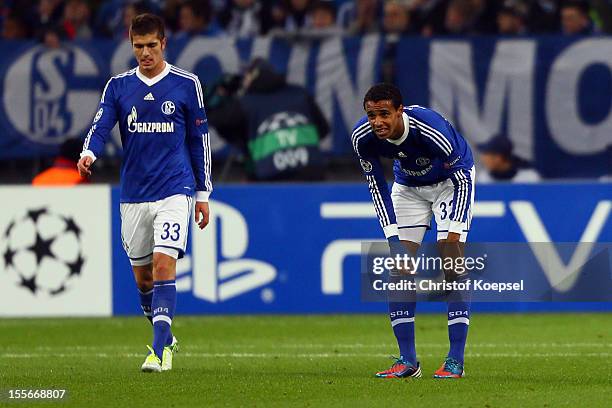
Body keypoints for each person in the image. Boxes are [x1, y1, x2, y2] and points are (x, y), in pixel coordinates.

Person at [77, 13, 212, 373]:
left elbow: (200, 141)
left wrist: (202, 193)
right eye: (139, 46)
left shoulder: (187, 83)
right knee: (143, 278)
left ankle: (157, 352)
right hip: (134, 192)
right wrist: (89, 152)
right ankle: (165, 336)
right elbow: (101, 124)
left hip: (175, 188)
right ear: (131, 44)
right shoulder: (118, 86)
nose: (145, 53)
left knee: (164, 264)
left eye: (152, 45)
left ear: (164, 43)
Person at [352, 83, 473, 379]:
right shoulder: (362, 138)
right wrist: (393, 240)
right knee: (399, 267)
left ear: (399, 111)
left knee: (452, 260)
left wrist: (453, 234)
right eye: (371, 115)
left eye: (384, 114)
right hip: (408, 188)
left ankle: (455, 360)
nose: (377, 122)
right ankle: (408, 361)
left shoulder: (430, 128)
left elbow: (461, 177)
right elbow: (376, 187)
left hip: (451, 182)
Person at [208, 58, 329, 181]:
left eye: (246, 76)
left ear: (252, 76)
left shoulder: (246, 103)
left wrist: (221, 94)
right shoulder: (300, 93)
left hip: (271, 178)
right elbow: (324, 130)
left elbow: (214, 119)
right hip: (312, 172)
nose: (243, 81)